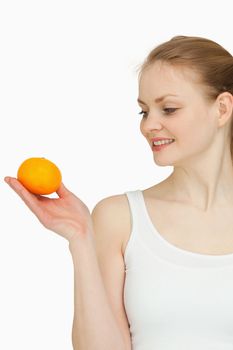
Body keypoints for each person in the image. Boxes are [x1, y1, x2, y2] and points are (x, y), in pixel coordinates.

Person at [4, 35, 233, 349]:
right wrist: (81, 239)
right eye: (144, 111)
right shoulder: (120, 218)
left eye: (168, 109)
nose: (148, 125)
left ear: (222, 109)